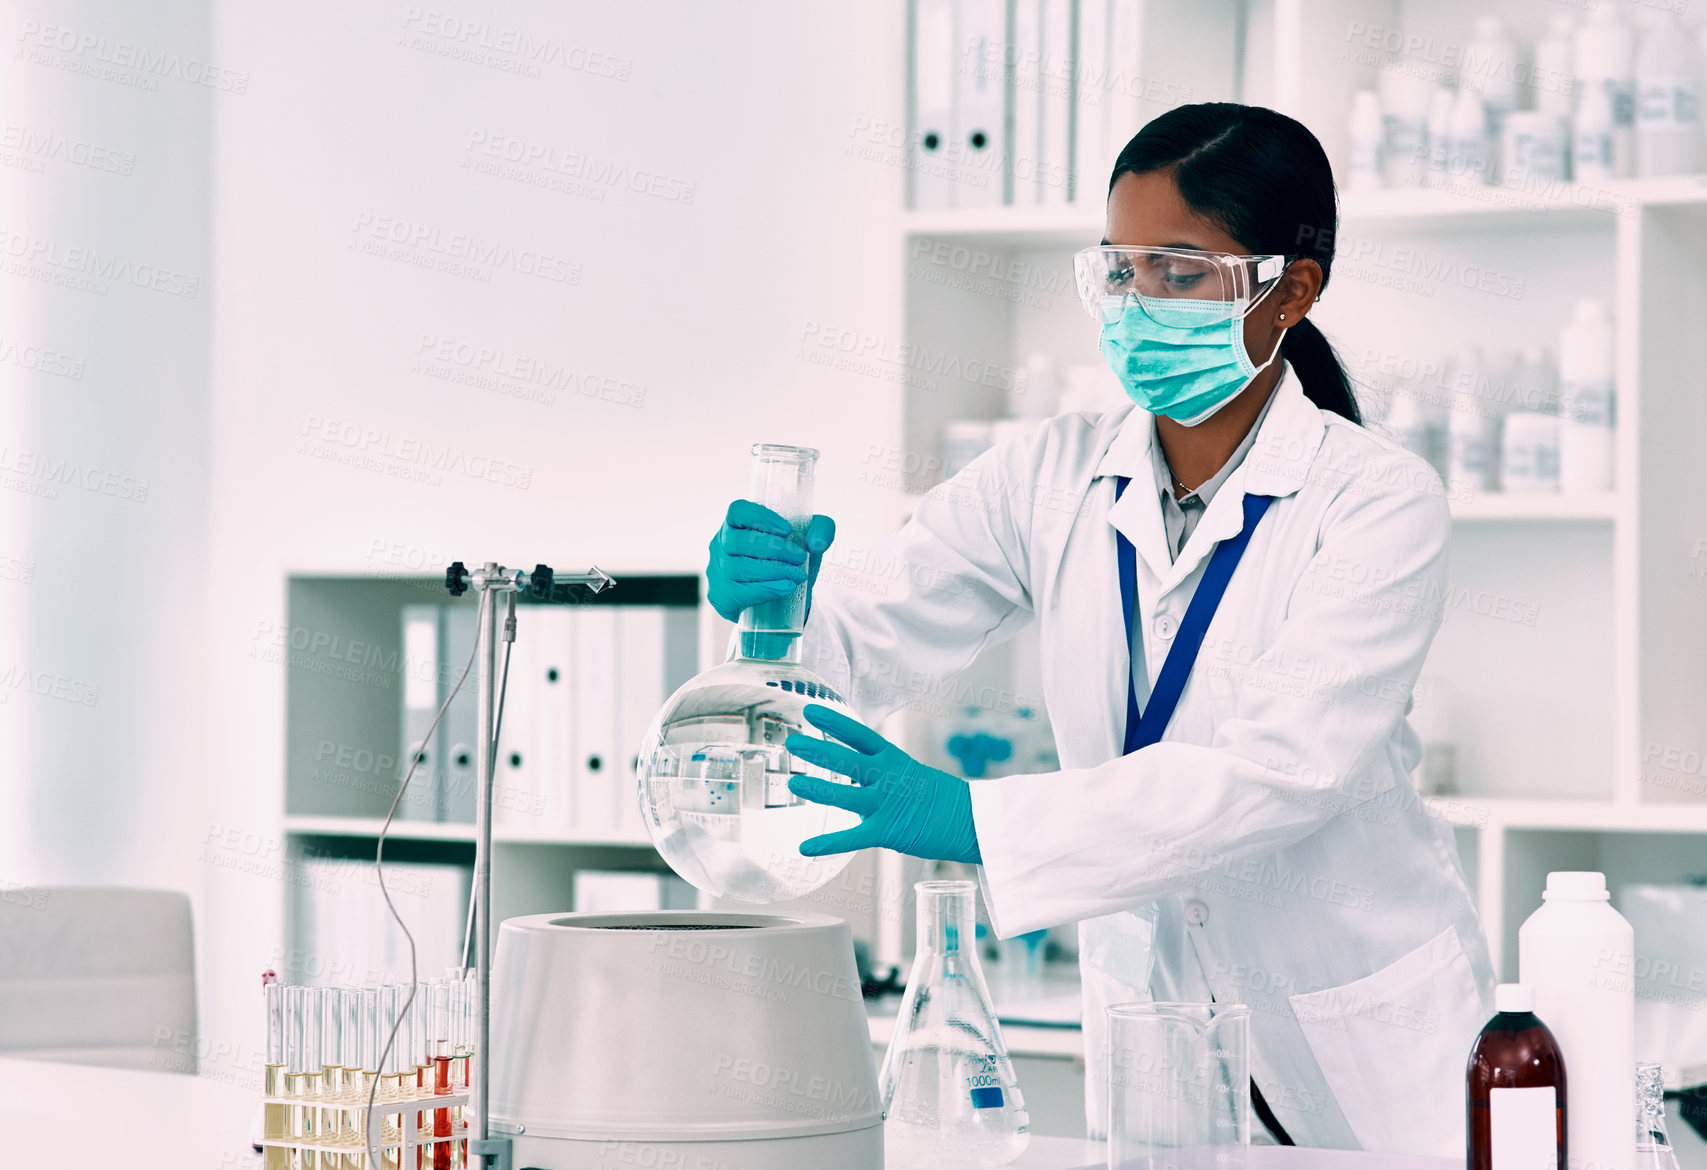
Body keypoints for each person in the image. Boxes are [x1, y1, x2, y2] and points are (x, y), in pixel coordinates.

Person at [705, 103, 1493, 1154]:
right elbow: (869, 630)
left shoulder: (1377, 502)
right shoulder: (1050, 472)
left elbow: (1280, 772)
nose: (1137, 307)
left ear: (1291, 290)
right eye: (1122, 273)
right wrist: (782, 611)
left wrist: (977, 821)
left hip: (1373, 1053)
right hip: (1156, 1030)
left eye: (1178, 274)